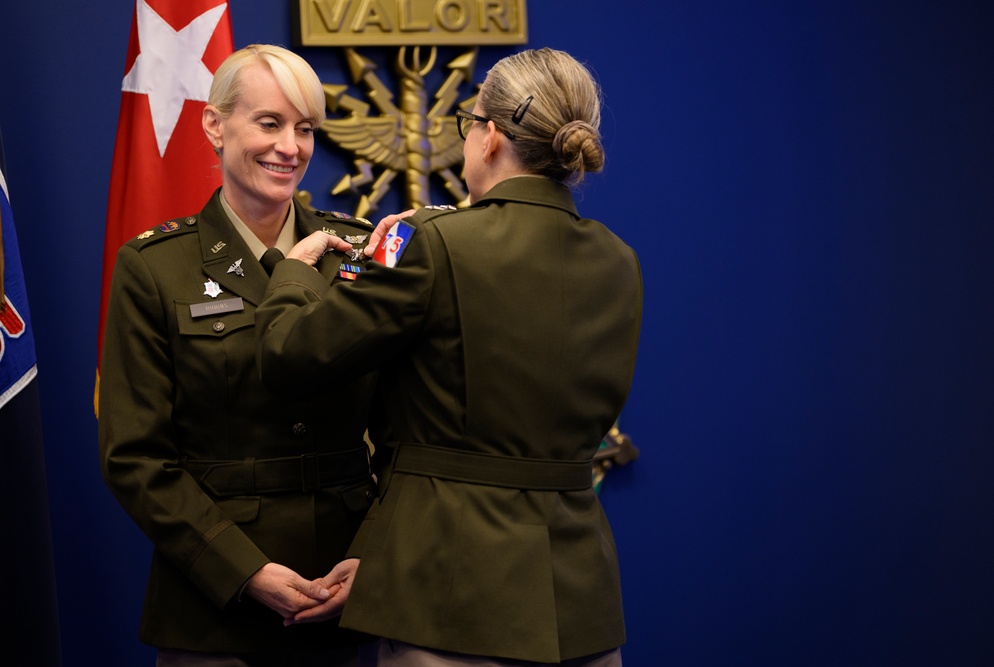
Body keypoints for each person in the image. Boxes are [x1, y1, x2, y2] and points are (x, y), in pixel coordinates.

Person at [255, 47, 642, 666]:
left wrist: (293, 276)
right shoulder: (619, 259)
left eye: (468, 127)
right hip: (579, 600)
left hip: (450, 594)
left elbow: (290, 355)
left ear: (488, 138)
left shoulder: (433, 244)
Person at [98, 44, 382, 666]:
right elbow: (135, 456)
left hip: (347, 595)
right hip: (213, 608)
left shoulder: (358, 255)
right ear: (214, 124)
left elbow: (407, 434)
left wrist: (380, 556)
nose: (291, 147)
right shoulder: (154, 268)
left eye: (305, 129)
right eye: (270, 123)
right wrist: (243, 570)